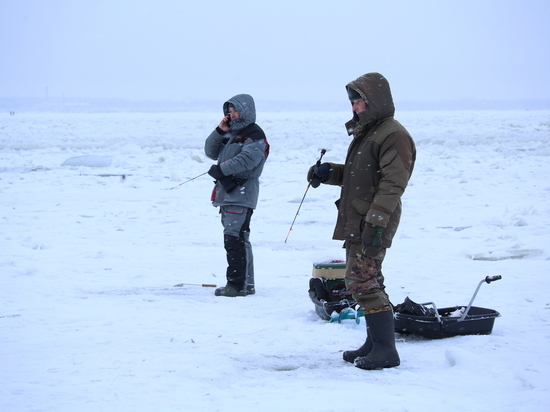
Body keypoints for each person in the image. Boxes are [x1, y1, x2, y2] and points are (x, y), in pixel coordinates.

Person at [307, 73, 416, 369]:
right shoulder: (369, 132)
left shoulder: (393, 134)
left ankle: (386, 351)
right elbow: (360, 177)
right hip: (359, 218)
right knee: (366, 280)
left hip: (373, 221)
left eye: (358, 102)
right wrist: (329, 173)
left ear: (374, 101)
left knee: (362, 281)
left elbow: (393, 183)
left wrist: (376, 223)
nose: (354, 108)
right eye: (352, 102)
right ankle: (374, 343)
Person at [205, 94, 269, 297]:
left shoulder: (254, 134)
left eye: (235, 111)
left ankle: (235, 285)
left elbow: (248, 159)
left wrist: (222, 170)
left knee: (234, 239)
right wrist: (219, 130)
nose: (231, 115)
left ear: (246, 111)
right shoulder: (233, 132)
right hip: (229, 192)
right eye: (229, 112)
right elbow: (210, 151)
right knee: (240, 238)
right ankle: (245, 284)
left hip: (241, 192)